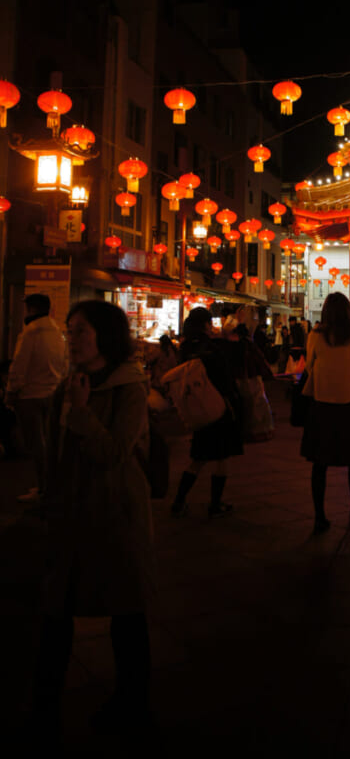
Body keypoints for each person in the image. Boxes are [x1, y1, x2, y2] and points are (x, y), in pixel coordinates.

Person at [32, 300, 154, 734]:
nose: (73, 339)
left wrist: (82, 411)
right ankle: (44, 701)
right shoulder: (67, 385)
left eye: (81, 330)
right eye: (71, 330)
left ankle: (132, 700)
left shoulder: (129, 388)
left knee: (125, 611)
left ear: (105, 334)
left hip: (115, 515)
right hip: (70, 513)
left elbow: (114, 454)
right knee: (55, 609)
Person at [301, 293, 350, 532]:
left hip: (321, 404)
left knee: (319, 463)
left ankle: (319, 515)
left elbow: (309, 365)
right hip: (349, 404)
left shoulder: (315, 336)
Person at [170, 308, 243, 518]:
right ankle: (215, 502)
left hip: (197, 407)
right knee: (221, 458)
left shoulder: (185, 348)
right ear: (205, 324)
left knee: (198, 458)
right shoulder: (212, 348)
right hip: (217, 408)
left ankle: (179, 500)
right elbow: (225, 378)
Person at [6, 293, 68, 507]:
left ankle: (44, 489)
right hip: (51, 394)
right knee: (49, 442)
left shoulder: (31, 331)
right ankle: (48, 486)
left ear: (31, 309)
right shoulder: (57, 331)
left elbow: (19, 365)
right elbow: (64, 363)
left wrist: (11, 391)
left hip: (30, 395)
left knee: (36, 445)